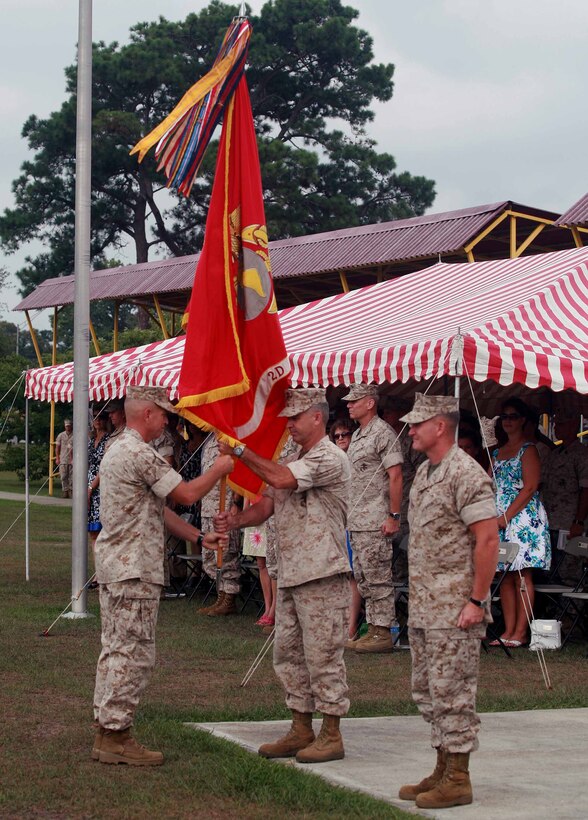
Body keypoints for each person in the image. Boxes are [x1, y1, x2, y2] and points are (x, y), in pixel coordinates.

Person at [92, 385, 233, 767]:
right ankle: (117, 735)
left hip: (119, 565)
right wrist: (219, 468)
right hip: (134, 567)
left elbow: (160, 510)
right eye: (164, 413)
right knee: (132, 653)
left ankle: (108, 727)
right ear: (148, 414)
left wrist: (200, 537)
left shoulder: (117, 448)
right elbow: (185, 495)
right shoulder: (139, 452)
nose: (169, 420)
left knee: (116, 649)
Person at [216, 388, 352, 763]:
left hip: (322, 572)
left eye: (296, 416)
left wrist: (240, 450)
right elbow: (265, 506)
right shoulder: (294, 458)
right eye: (287, 417)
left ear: (318, 417)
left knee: (323, 656)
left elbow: (279, 480)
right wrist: (237, 520)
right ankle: (300, 727)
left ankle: (332, 733)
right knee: (289, 655)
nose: (289, 423)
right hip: (292, 571)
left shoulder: (331, 457)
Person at [397, 393, 499, 810]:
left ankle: (459, 777)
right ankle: (442, 766)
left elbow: (488, 539)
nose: (412, 430)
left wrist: (476, 599)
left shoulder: (466, 474)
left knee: (453, 691)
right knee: (428, 689)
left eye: (418, 423)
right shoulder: (424, 473)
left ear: (441, 426)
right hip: (426, 604)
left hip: (455, 607)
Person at [344, 384, 403, 653]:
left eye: (354, 400)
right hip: (357, 519)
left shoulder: (382, 433)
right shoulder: (357, 435)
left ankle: (383, 631)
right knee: (364, 576)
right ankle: (373, 627)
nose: (348, 405)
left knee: (379, 577)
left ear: (370, 403)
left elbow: (395, 475)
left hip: (375, 518)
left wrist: (393, 515)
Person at [491, 397, 551, 647]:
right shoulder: (496, 451)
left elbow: (530, 487)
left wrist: (506, 517)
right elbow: (488, 483)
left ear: (523, 420)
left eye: (513, 416)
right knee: (504, 574)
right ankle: (508, 630)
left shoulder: (529, 449)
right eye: (504, 416)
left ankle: (521, 631)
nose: (508, 421)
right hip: (499, 517)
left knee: (522, 574)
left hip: (523, 518)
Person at [542, 410, 588, 584]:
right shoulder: (554, 454)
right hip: (550, 521)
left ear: (574, 425)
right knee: (550, 572)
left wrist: (579, 521)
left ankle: (571, 611)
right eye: (555, 424)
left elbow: (586, 489)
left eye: (561, 423)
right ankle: (551, 610)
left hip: (570, 524)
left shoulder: (582, 454)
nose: (556, 428)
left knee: (570, 572)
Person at [330, 417, 362, 640]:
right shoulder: (333, 459)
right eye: (337, 436)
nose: (341, 439)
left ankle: (350, 628)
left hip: (356, 519)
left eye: (345, 434)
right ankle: (337, 625)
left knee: (352, 576)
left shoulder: (358, 458)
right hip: (337, 520)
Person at [87, 410, 112, 563]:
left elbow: (105, 466)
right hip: (89, 483)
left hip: (101, 485)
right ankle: (97, 569)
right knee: (92, 532)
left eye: (101, 417)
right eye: (95, 417)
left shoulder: (108, 439)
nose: (97, 420)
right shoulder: (90, 440)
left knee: (101, 529)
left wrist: (91, 487)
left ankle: (103, 569)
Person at [55, 419, 74, 498]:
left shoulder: (75, 434)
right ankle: (65, 491)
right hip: (63, 458)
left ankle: (72, 490)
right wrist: (57, 458)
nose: (68, 427)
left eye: (69, 426)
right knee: (63, 476)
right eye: (66, 426)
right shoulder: (61, 435)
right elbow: (57, 447)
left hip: (72, 459)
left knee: (72, 476)